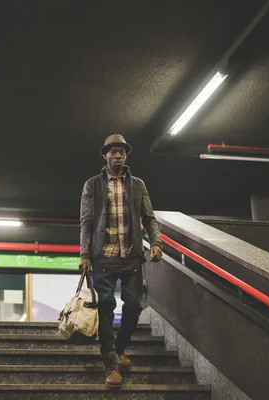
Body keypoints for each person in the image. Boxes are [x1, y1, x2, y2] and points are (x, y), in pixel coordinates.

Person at [79, 134, 162, 388]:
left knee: (134, 306)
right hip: (103, 256)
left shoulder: (137, 184)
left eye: (122, 152)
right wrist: (84, 254)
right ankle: (110, 363)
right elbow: (87, 221)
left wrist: (156, 241)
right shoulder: (92, 185)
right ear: (105, 155)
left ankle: (118, 347)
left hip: (131, 256)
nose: (118, 155)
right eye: (113, 151)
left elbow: (149, 216)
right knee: (105, 307)